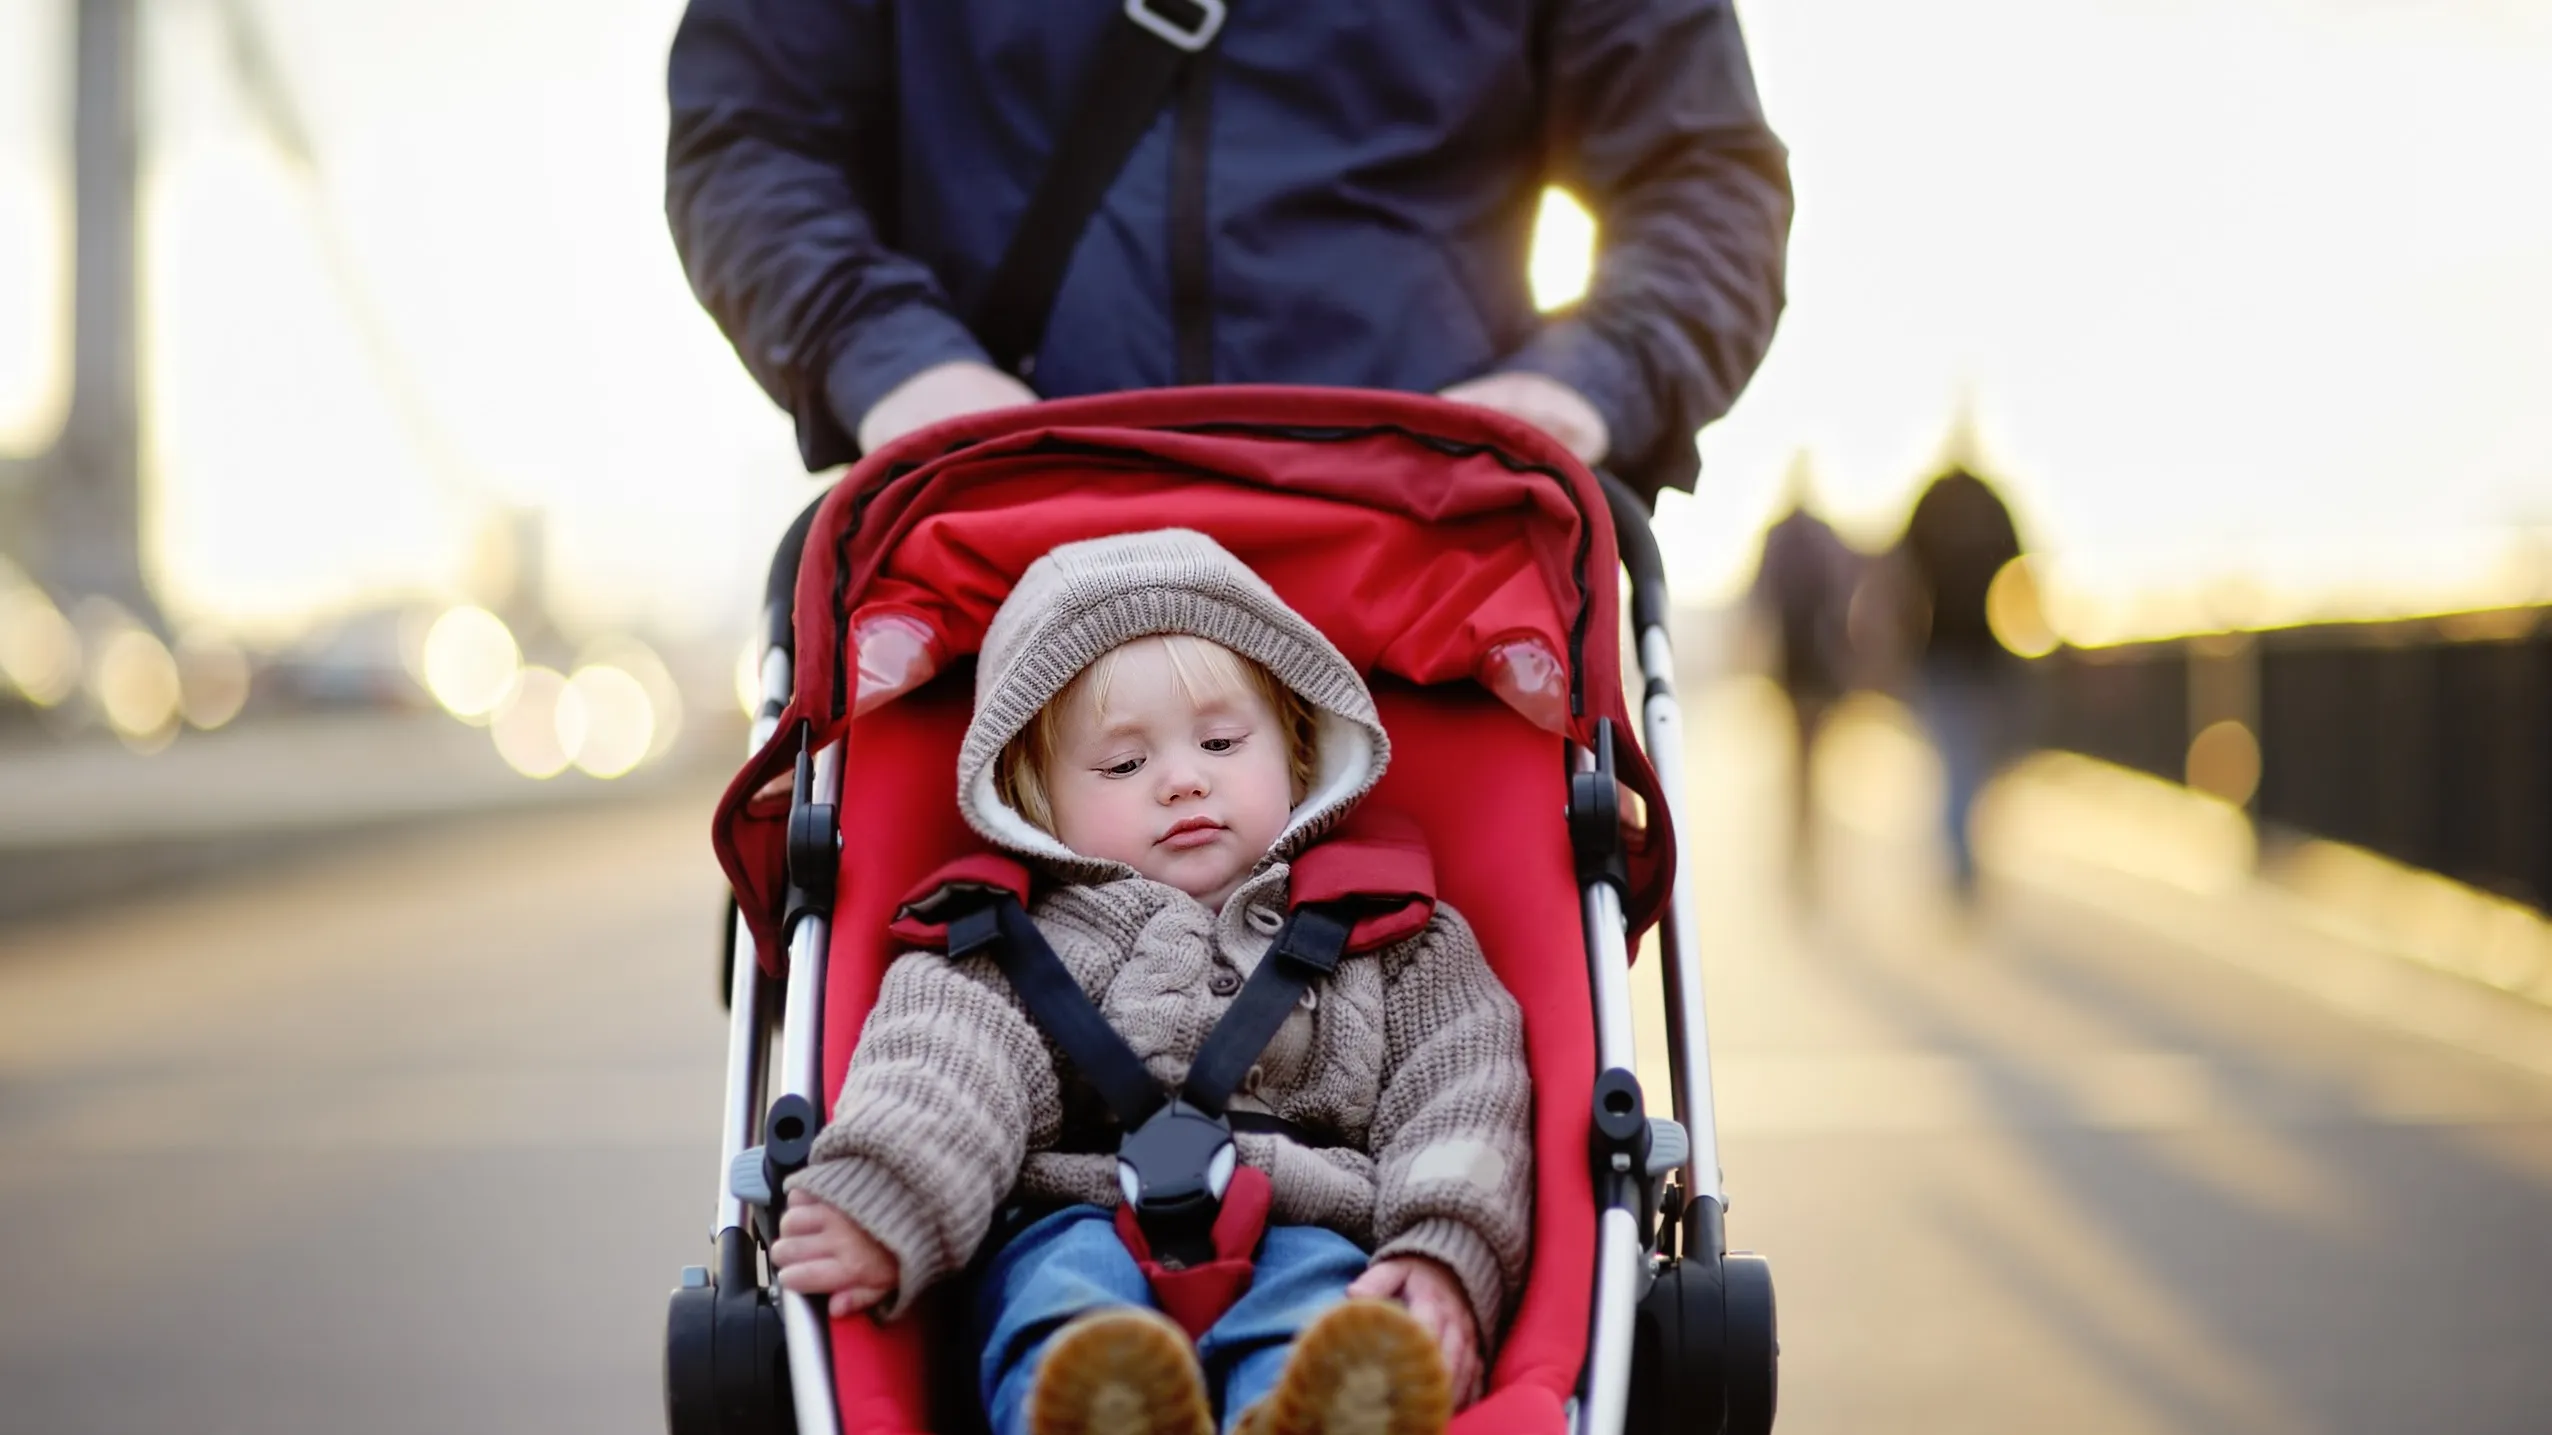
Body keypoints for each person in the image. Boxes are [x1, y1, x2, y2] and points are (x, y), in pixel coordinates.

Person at [768, 530, 1533, 1435]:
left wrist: (1443, 1245)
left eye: (1219, 740)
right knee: (1058, 1295)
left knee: (1326, 1302)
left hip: (1313, 1219)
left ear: (1295, 750)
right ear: (1033, 800)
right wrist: (888, 1192)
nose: (1180, 780)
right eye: (1124, 764)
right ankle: (1099, 1409)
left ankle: (1313, 1412)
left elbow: (1465, 1089)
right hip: (1076, 1213)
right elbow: (943, 1071)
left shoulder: (1392, 934)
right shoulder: (1005, 944)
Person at [664, 0, 1791, 500]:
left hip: (1423, 538)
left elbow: (1701, 179)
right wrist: (897, 364)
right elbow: (749, 132)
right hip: (1002, 518)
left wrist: (1580, 384)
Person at [1886, 465, 2026, 896]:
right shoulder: (1988, 498)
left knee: (1958, 762)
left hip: (1952, 655)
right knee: (1966, 762)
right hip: (1975, 655)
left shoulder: (1936, 499)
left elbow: (1901, 576)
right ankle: (1962, 858)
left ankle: (1960, 854)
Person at [1744, 455, 1861, 892]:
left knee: (1798, 755)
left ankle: (1799, 842)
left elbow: (1758, 600)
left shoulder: (1777, 536)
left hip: (1791, 665)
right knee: (1811, 755)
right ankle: (1808, 842)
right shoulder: (1827, 538)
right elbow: (1848, 599)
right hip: (1820, 666)